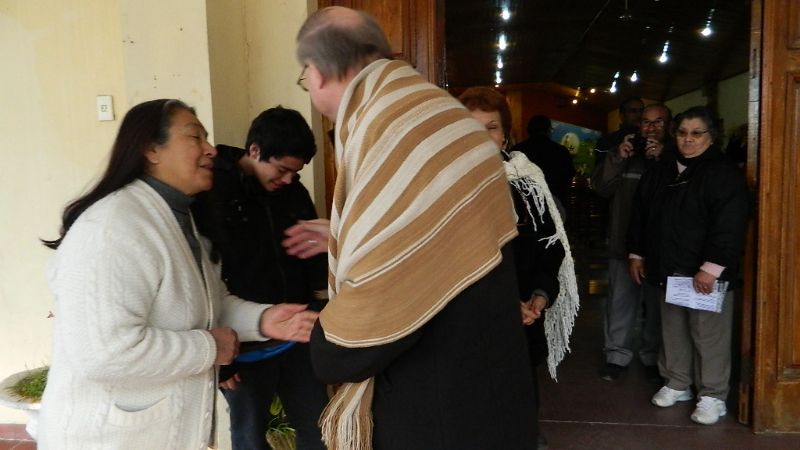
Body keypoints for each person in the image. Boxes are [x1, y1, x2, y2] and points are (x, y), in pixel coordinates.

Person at [288, 7, 539, 449]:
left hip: (440, 409)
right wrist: (347, 236)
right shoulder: (442, 114)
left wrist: (327, 344)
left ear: (318, 72)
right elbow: (432, 234)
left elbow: (389, 293)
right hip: (490, 384)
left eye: (304, 77)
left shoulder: (387, 125)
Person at [37, 99, 319, 450]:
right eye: (195, 137)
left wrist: (264, 319)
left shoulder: (181, 219)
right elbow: (104, 352)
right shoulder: (112, 226)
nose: (211, 149)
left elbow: (208, 303)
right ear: (151, 149)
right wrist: (210, 346)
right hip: (110, 437)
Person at [192, 106, 329, 450]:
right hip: (241, 347)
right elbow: (202, 278)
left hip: (297, 336)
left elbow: (313, 256)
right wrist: (219, 361)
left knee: (318, 426)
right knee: (249, 437)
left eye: (295, 173)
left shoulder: (293, 191)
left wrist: (319, 314)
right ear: (254, 151)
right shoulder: (212, 191)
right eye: (281, 170)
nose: (287, 180)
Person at [457, 86, 579, 450]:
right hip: (467, 316)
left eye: (491, 127)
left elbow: (551, 244)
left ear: (506, 135)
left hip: (524, 312)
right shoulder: (444, 187)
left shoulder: (529, 184)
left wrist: (539, 295)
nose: (482, 136)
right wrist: (499, 301)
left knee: (520, 387)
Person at [628, 106, 749, 425]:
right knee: (673, 329)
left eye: (697, 133)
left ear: (711, 136)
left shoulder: (723, 172)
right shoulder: (662, 168)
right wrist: (637, 254)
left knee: (708, 333)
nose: (688, 140)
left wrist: (711, 268)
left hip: (705, 271)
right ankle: (678, 383)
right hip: (667, 265)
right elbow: (640, 213)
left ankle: (712, 395)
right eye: (682, 133)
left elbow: (730, 222)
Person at [591, 103, 673, 382]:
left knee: (658, 307)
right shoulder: (625, 155)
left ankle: (652, 357)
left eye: (658, 122)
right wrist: (617, 156)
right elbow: (600, 188)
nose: (650, 128)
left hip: (661, 248)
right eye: (645, 123)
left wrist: (665, 158)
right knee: (619, 303)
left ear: (669, 127)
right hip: (623, 244)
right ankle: (616, 356)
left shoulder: (676, 156)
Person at [510, 115, 576, 208]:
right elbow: (569, 175)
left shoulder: (517, 150)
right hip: (555, 205)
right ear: (548, 130)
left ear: (528, 130)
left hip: (525, 208)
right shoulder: (561, 151)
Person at [594, 97, 645, 164]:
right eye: (633, 111)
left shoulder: (649, 138)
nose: (639, 115)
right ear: (622, 115)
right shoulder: (607, 140)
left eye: (641, 111)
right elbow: (600, 168)